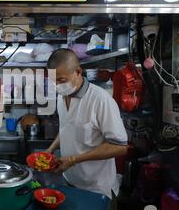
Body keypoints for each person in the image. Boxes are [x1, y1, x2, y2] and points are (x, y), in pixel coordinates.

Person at [45, 49, 128, 199]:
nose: (57, 86)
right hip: (69, 180)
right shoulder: (62, 97)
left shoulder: (100, 100)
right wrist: (50, 150)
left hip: (95, 188)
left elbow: (120, 147)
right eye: (53, 81)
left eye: (61, 80)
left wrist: (73, 160)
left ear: (78, 71)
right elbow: (66, 128)